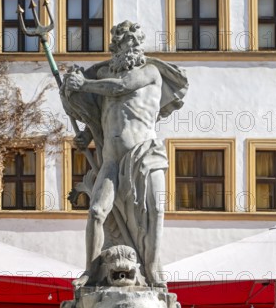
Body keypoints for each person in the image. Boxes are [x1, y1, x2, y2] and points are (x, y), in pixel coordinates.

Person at [60, 21, 188, 286]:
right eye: (125, 41)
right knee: (96, 212)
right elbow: (102, 116)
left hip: (144, 155)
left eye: (135, 41)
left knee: (154, 212)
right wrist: (87, 132)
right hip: (111, 159)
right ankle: (91, 271)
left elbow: (120, 87)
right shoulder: (103, 76)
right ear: (115, 46)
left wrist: (83, 83)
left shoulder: (150, 72)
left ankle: (152, 269)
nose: (132, 46)